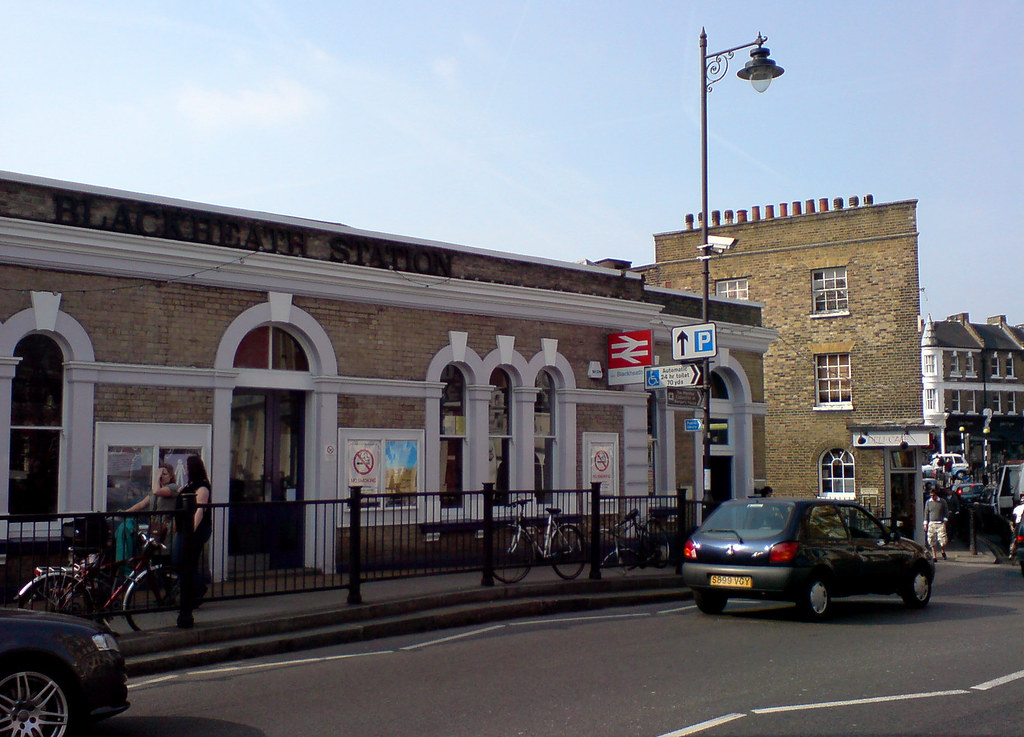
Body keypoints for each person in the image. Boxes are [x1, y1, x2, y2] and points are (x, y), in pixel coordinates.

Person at [174, 455, 212, 628]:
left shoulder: (203, 486)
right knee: (181, 562)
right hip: (184, 529)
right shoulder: (189, 485)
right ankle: (191, 594)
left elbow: (200, 510)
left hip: (196, 530)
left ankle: (194, 593)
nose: (187, 469)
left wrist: (191, 530)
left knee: (187, 561)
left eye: (189, 467)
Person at [124, 463, 179, 541]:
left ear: (171, 476)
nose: (161, 477)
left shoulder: (173, 487)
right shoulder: (154, 492)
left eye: (164, 474)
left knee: (164, 549)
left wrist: (157, 477)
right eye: (160, 474)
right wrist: (126, 512)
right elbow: (141, 504)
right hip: (155, 526)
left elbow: (157, 491)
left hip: (167, 526)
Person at [924, 488, 949, 562]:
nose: (932, 497)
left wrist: (945, 521)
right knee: (932, 540)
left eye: (933, 495)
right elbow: (926, 513)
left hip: (940, 523)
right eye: (931, 495)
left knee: (943, 541)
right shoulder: (928, 502)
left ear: (936, 494)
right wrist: (925, 523)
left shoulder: (942, 501)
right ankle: (934, 556)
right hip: (932, 523)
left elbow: (946, 512)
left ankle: (942, 551)